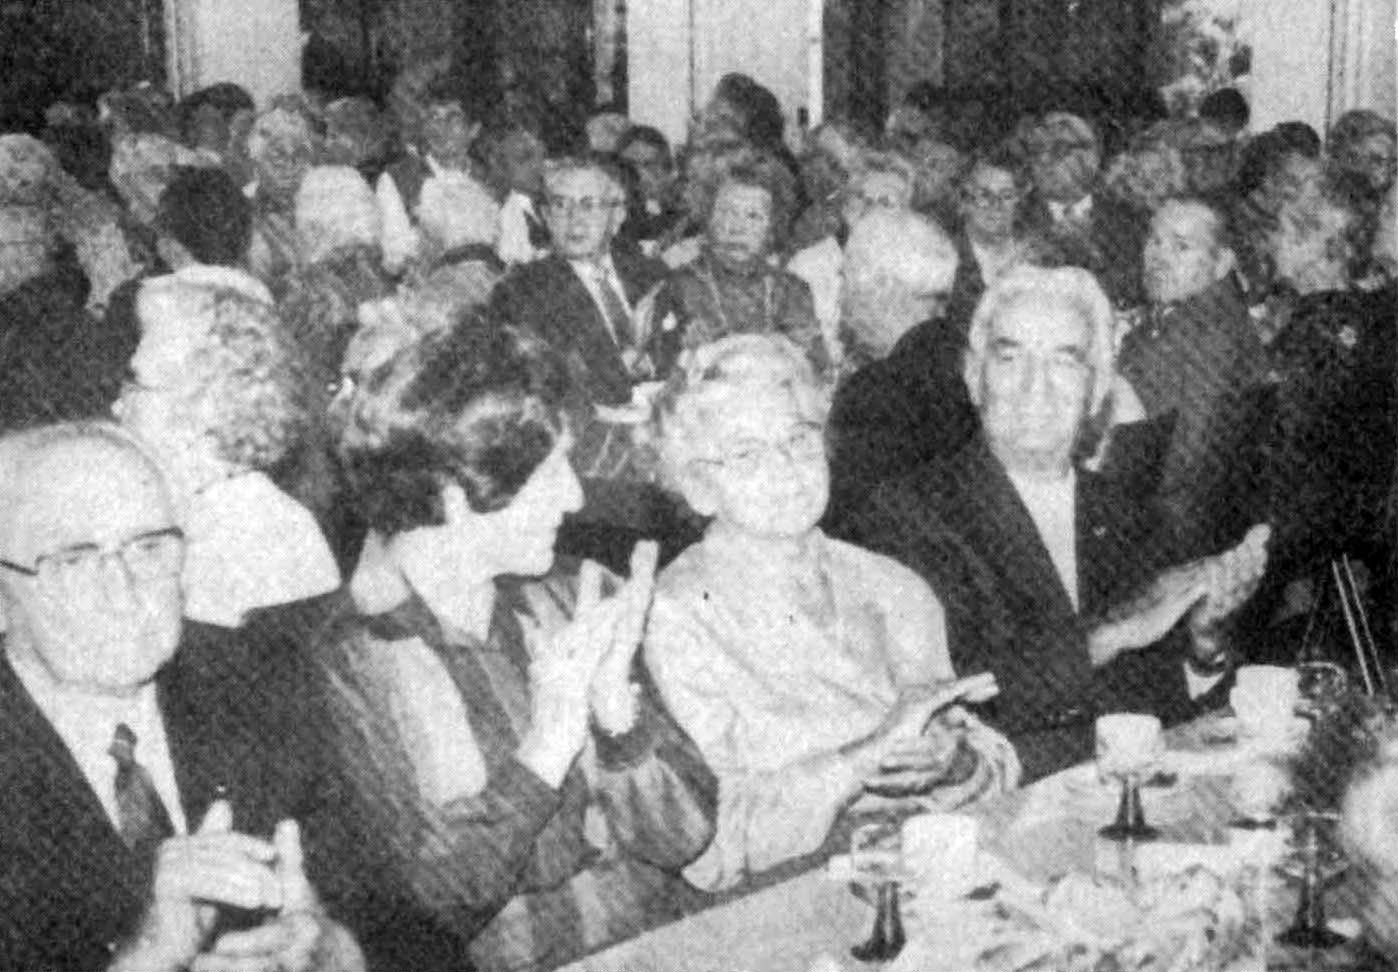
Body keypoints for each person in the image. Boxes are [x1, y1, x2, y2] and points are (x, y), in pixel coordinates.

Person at [317, 318, 715, 971]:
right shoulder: (351, 665)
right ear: (457, 492)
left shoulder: (572, 596)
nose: (576, 496)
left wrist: (619, 719)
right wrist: (547, 750)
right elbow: (421, 921)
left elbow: (688, 839)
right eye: (551, 472)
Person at [849, 266, 1270, 781]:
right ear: (974, 377)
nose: (1036, 387)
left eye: (1064, 362)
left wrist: (1204, 646)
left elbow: (1175, 714)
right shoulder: (910, 514)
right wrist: (1111, 632)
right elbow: (960, 703)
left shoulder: (1132, 516)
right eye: (1011, 359)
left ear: (1097, 391)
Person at [645, 334, 1018, 892]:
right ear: (698, 487)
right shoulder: (678, 615)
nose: (785, 470)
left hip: (926, 878)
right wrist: (864, 760)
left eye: (798, 439)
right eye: (746, 455)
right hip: (784, 904)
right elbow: (711, 847)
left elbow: (994, 762)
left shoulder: (893, 585)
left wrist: (956, 763)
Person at [0, 420, 363, 972]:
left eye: (149, 548)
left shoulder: (263, 680)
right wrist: (144, 960)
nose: (123, 594)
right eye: (72, 561)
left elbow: (403, 921)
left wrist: (338, 952)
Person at [112, 276, 340, 630]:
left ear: (207, 403)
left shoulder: (260, 536)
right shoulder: (195, 509)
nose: (117, 406)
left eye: (136, 384)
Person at [1115, 196, 1269, 558]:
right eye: (1154, 240)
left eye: (1181, 247)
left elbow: (1188, 463)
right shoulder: (1195, 315)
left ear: (1222, 263)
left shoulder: (1211, 337)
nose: (1158, 257)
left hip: (1165, 539)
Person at [824, 210, 976, 532]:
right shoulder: (970, 362)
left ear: (881, 287)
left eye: (845, 279)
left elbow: (850, 526)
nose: (840, 298)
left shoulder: (876, 393)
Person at [652, 151, 827, 369]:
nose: (737, 228)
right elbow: (660, 367)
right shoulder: (679, 286)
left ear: (772, 227)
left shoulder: (791, 290)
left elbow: (817, 367)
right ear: (708, 216)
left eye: (753, 216)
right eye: (728, 212)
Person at [787, 148, 916, 357]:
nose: (871, 209)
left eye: (886, 202)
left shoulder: (914, 273)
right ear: (845, 203)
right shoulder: (806, 266)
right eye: (861, 197)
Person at [1018, 111, 1148, 306]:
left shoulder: (1131, 221)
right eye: (1036, 150)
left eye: (1059, 149)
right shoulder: (1016, 218)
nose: (1044, 160)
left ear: (1091, 156)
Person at [946, 145, 1041, 335]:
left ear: (1020, 201)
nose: (995, 204)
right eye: (984, 194)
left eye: (1006, 196)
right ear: (964, 200)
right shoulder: (944, 254)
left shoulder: (1039, 256)